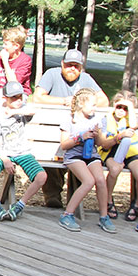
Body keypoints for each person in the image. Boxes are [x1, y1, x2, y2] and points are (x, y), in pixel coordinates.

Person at [33, 48, 108, 206]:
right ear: (62, 64)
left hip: (78, 137)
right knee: (49, 157)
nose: (72, 69)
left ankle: (74, 201)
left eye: (76, 66)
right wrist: (64, 101)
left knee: (82, 156)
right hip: (50, 135)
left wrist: (80, 102)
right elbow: (38, 97)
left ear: (81, 67)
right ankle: (53, 197)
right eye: (68, 65)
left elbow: (104, 100)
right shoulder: (52, 74)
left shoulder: (86, 79)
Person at [0, 80, 46, 222]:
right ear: (4, 99)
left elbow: (34, 110)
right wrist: (5, 159)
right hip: (3, 152)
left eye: (20, 97)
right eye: (13, 98)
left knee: (41, 176)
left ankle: (20, 205)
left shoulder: (22, 110)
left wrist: (15, 111)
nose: (18, 100)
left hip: (22, 152)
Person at [56, 88, 114, 233]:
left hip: (92, 155)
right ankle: (67, 215)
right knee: (89, 181)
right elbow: (64, 145)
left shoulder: (97, 120)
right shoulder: (70, 120)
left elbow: (102, 144)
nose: (95, 108)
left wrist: (97, 134)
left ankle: (104, 216)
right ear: (81, 104)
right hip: (74, 155)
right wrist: (80, 137)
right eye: (93, 105)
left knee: (100, 180)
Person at [96, 90, 138, 221]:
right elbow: (104, 144)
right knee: (115, 169)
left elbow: (134, 125)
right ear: (114, 105)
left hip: (130, 152)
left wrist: (130, 107)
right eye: (119, 106)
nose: (121, 111)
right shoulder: (105, 120)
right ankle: (108, 200)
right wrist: (119, 137)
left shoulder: (131, 120)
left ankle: (137, 205)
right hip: (111, 151)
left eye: (126, 108)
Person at [0, 25, 31, 97]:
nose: (3, 46)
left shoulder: (25, 60)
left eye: (6, 44)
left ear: (16, 46)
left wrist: (5, 61)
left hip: (18, 94)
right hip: (0, 92)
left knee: (6, 105)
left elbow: (14, 84)